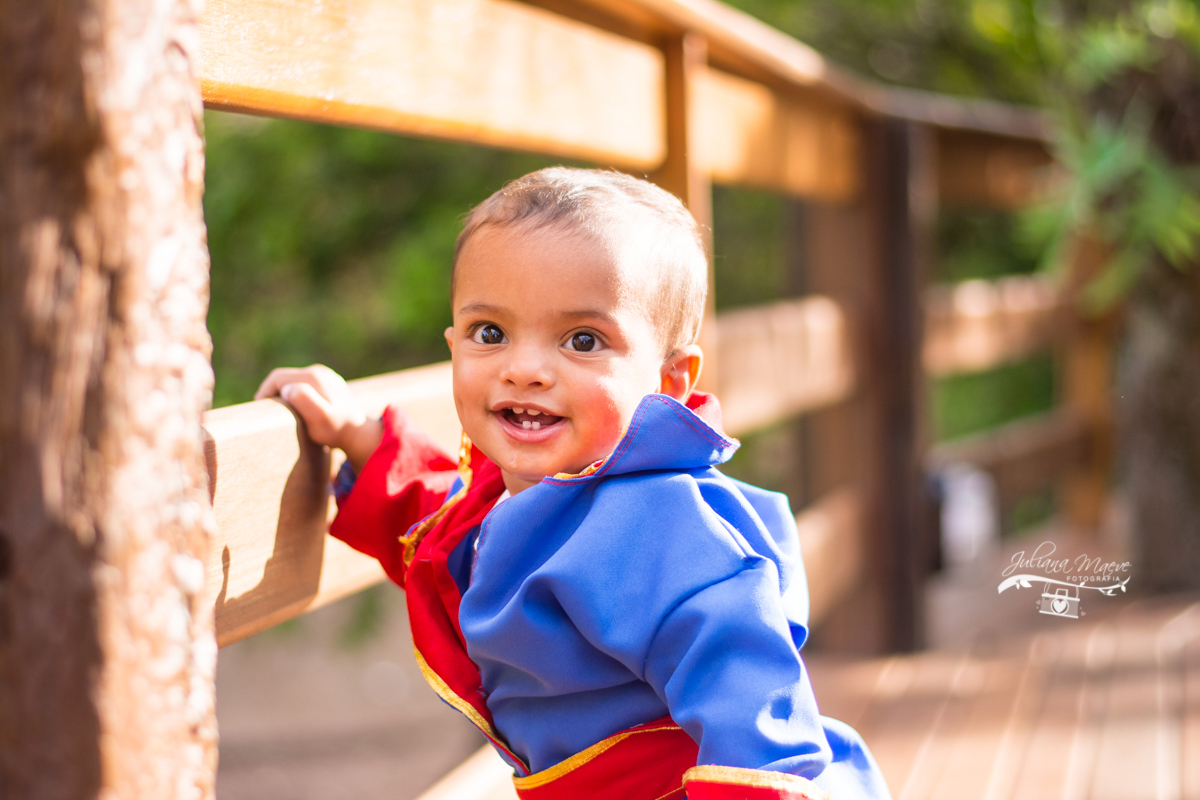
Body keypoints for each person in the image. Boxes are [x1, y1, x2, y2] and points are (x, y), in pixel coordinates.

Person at [255, 168, 891, 800]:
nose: (524, 368)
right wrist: (361, 438)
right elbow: (452, 538)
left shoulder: (661, 526)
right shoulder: (532, 497)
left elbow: (754, 707)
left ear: (669, 380)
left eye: (583, 340)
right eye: (489, 333)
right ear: (453, 344)